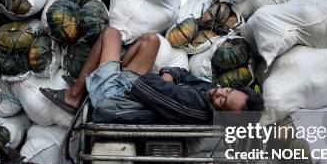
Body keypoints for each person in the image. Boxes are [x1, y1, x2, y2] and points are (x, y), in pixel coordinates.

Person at [40, 27, 263, 124]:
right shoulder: (208, 92)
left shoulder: (194, 105)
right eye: (227, 91)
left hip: (115, 100)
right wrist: (169, 77)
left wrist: (167, 81)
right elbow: (181, 73)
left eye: (223, 102)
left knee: (111, 34)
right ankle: (99, 74)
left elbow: (148, 84)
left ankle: (74, 95)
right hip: (133, 91)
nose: (219, 94)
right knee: (151, 41)